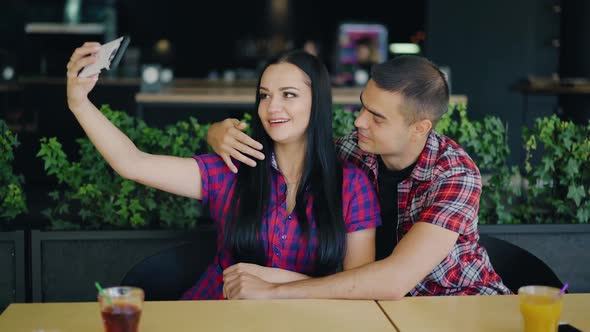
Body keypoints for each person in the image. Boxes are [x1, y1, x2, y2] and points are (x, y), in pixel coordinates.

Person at [65, 43, 380, 300]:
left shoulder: (351, 185)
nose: (272, 107)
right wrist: (79, 103)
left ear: (318, 102)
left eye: (289, 95)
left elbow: (357, 287)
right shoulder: (233, 168)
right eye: (265, 95)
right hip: (214, 316)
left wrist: (276, 283)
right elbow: (132, 163)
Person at [209, 55, 512, 300]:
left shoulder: (455, 175)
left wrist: (276, 291)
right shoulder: (352, 150)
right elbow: (294, 150)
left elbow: (394, 280)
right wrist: (217, 134)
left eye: (377, 117)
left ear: (419, 128)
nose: (359, 121)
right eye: (363, 106)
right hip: (378, 307)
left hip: (463, 303)